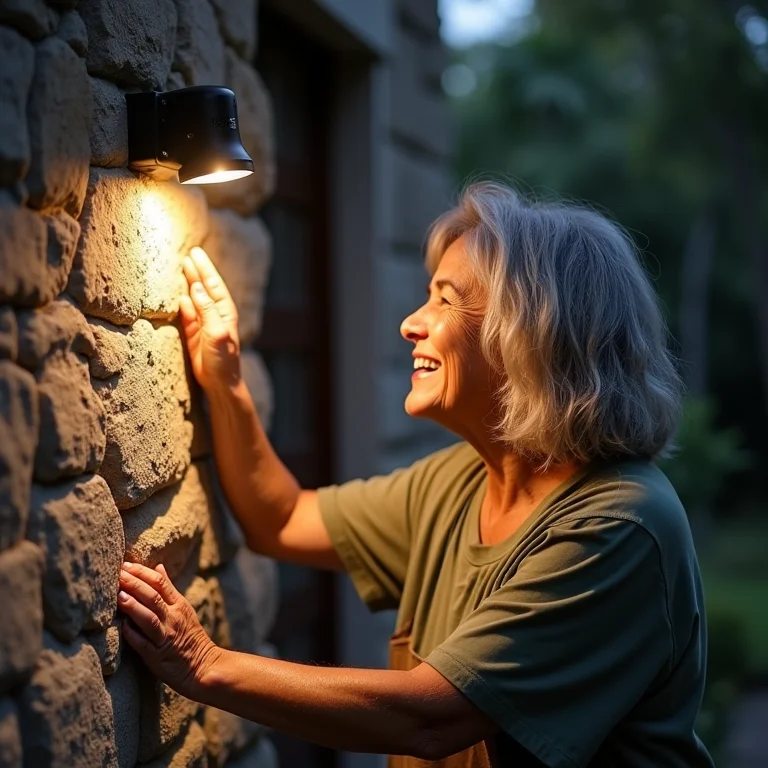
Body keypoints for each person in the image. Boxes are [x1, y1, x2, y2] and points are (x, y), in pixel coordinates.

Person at [117, 182, 715, 767]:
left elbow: (431, 718)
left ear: (531, 335)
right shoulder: (463, 478)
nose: (411, 323)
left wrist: (204, 664)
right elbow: (282, 519)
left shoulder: (620, 525)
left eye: (446, 301)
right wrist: (225, 379)